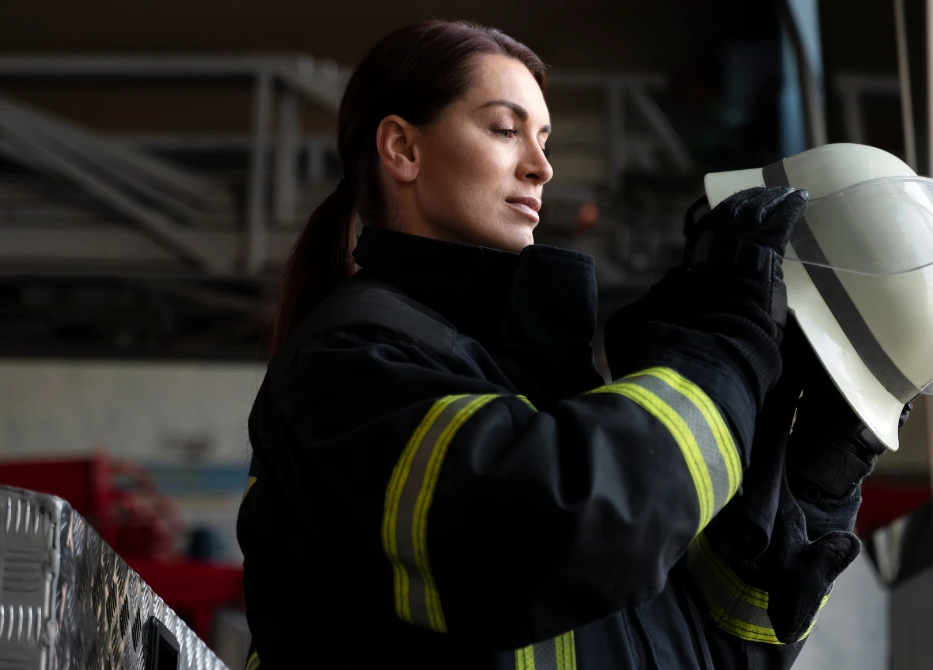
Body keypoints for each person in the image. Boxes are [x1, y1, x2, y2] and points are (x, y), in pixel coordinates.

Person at [237, 20, 896, 669]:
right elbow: (560, 536)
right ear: (402, 149)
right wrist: (726, 348)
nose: (542, 167)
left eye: (545, 139)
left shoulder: (544, 390)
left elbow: (712, 650)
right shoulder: (350, 359)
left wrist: (812, 482)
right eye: (505, 129)